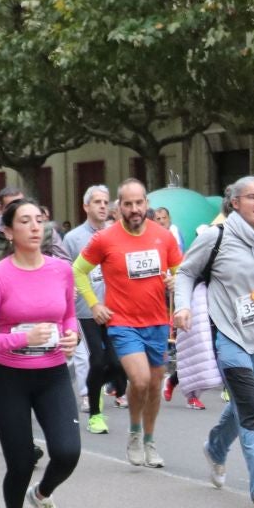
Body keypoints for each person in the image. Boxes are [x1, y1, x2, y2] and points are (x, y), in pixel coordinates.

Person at [174, 175, 254, 508]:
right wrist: (183, 306)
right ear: (234, 202)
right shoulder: (216, 237)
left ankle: (216, 447)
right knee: (251, 408)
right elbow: (186, 272)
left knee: (243, 405)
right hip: (230, 334)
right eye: (252, 197)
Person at [0, 197, 83, 508]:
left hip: (52, 374)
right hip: (9, 378)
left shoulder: (61, 270)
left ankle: (42, 494)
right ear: (8, 230)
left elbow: (67, 315)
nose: (35, 227)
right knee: (19, 461)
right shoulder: (0, 276)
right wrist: (20, 339)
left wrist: (72, 336)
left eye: (40, 220)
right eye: (25, 221)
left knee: (67, 452)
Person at [77, 179, 183, 469]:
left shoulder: (163, 236)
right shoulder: (105, 239)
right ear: (119, 207)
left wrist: (175, 282)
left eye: (139, 203)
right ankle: (134, 432)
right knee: (140, 380)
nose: (134, 209)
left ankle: (149, 440)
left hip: (157, 322)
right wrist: (94, 304)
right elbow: (77, 271)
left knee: (155, 383)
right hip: (122, 322)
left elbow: (182, 271)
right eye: (128, 204)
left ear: (146, 204)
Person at [58, 184, 128, 433]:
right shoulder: (73, 238)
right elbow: (65, 271)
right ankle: (95, 412)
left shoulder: (116, 234)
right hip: (85, 311)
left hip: (113, 309)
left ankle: (111, 385)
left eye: (105, 201)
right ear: (85, 206)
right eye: (96, 202)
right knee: (96, 361)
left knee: (117, 362)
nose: (102, 206)